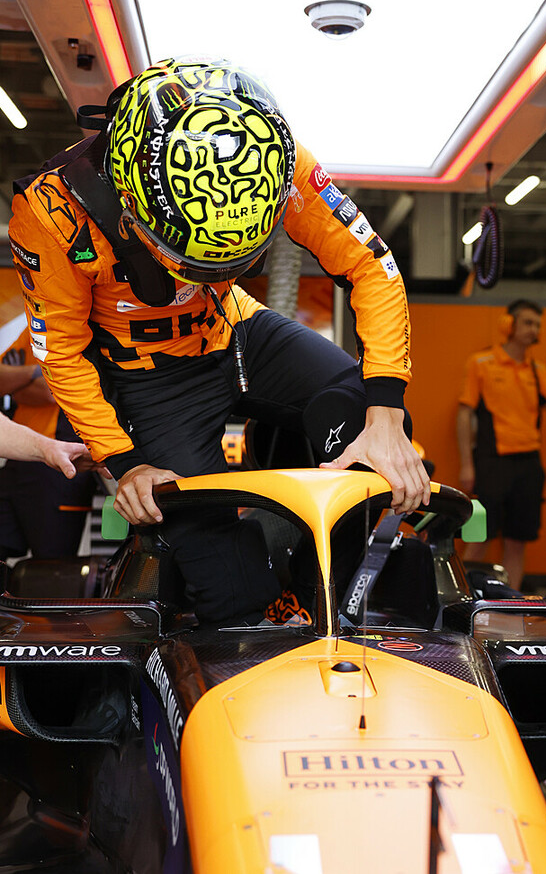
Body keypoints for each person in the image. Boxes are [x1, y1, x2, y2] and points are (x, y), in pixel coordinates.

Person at [8, 56, 429, 626]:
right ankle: (251, 580)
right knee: (229, 593)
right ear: (131, 201)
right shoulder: (51, 212)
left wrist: (385, 418)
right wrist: (125, 463)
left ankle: (311, 587)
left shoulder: (273, 156)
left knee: (372, 423)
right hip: (148, 375)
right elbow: (60, 349)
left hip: (239, 330)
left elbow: (372, 265)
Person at [456, 299, 546, 590]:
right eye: (527, 322)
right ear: (508, 324)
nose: (533, 329)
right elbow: (464, 413)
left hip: (529, 465)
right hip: (491, 463)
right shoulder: (481, 363)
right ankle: (465, 599)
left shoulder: (537, 370)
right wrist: (467, 465)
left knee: (517, 541)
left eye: (537, 324)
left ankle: (509, 603)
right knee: (478, 537)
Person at [0, 328, 99, 560]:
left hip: (64, 461)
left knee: (53, 565)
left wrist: (16, 381)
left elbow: (49, 391)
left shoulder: (92, 329)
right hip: (16, 456)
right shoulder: (35, 327)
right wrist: (34, 372)